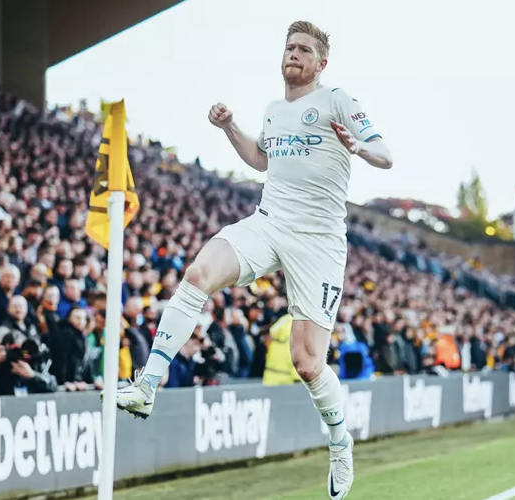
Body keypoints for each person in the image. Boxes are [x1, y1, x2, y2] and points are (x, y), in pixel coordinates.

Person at [105, 20, 392, 500]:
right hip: (269, 221)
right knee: (197, 273)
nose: (294, 54)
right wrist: (229, 128)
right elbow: (262, 160)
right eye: (289, 47)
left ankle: (340, 443)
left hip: (319, 241)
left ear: (322, 62)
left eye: (304, 49)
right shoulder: (274, 110)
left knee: (307, 362)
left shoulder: (339, 100)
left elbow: (385, 154)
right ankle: (147, 384)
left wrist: (359, 147)